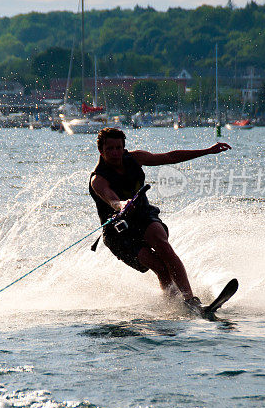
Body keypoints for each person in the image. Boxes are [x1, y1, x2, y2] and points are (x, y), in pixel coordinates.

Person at [89, 127, 231, 311]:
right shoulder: (98, 179)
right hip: (118, 233)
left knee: (163, 245)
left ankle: (190, 301)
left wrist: (207, 151)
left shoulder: (135, 158)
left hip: (143, 216)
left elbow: (170, 157)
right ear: (101, 151)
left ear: (124, 147)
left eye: (119, 148)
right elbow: (112, 200)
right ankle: (173, 304)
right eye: (110, 149)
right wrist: (122, 205)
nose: (116, 153)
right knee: (160, 267)